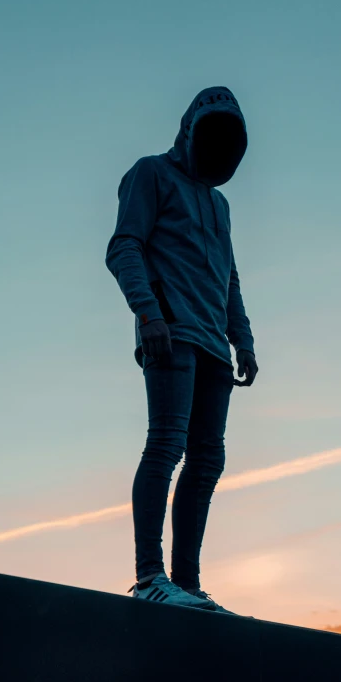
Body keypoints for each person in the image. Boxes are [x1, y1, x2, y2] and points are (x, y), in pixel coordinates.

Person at [105, 86, 258, 615]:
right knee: (166, 445)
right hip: (171, 332)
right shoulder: (150, 173)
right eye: (209, 137)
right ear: (189, 130)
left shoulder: (220, 203)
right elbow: (124, 244)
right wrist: (147, 312)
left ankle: (188, 586)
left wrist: (244, 337)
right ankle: (151, 576)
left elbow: (230, 276)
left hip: (216, 344)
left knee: (208, 461)